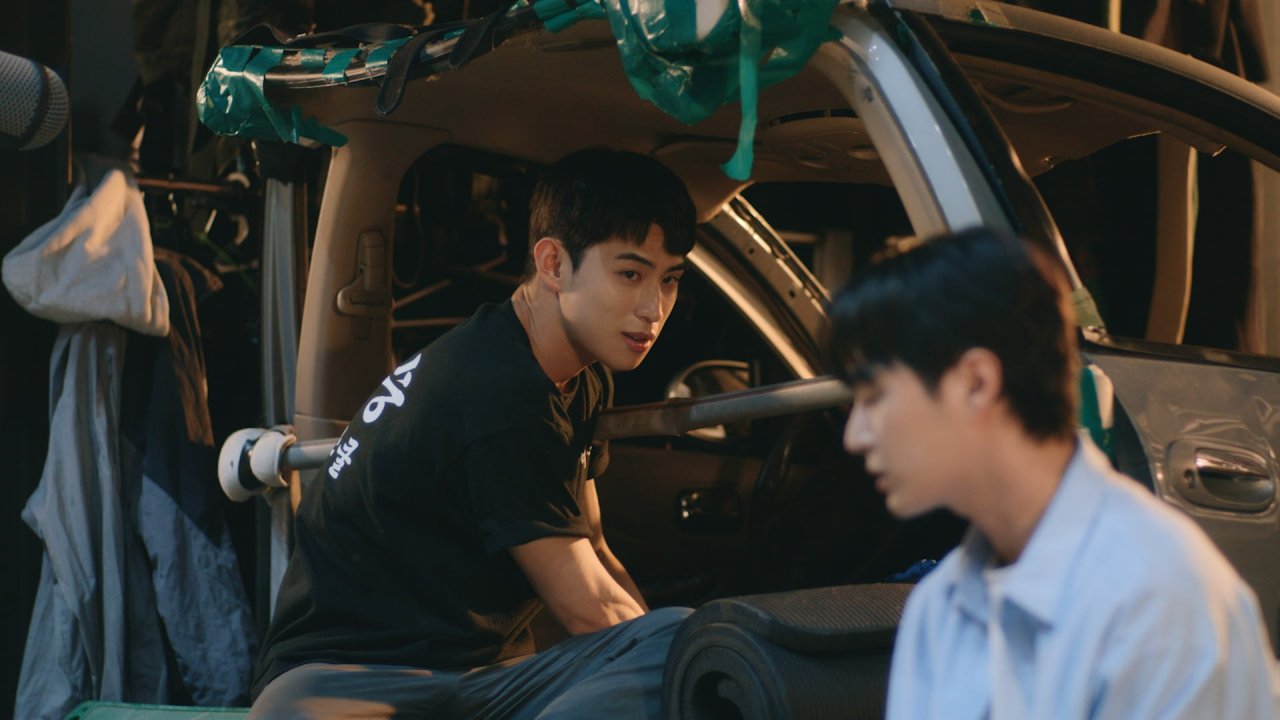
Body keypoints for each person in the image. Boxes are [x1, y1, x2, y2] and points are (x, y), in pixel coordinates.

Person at [248, 147, 697, 719]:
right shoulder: (497, 387)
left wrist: (659, 654)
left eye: (670, 279)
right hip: (347, 685)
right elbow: (588, 610)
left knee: (671, 646)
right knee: (684, 650)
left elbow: (594, 548)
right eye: (630, 274)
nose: (654, 308)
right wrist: (687, 668)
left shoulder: (579, 380)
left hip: (478, 679)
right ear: (553, 264)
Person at [829, 227, 1280, 719]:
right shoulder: (939, 607)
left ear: (975, 382)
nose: (854, 435)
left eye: (874, 397)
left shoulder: (1156, 596)